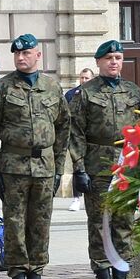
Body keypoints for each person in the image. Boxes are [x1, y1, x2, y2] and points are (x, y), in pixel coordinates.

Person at [0, 34, 71, 279]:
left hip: (44, 167)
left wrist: (58, 167)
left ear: (38, 55)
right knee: (15, 226)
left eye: (26, 53)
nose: (21, 58)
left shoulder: (51, 87)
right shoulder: (2, 89)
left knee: (40, 226)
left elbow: (63, 127)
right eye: (17, 54)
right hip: (14, 168)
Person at [69, 40, 140, 279]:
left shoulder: (132, 91)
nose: (114, 62)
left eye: (118, 57)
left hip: (127, 165)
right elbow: (76, 133)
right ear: (99, 62)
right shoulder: (86, 93)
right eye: (109, 58)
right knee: (101, 224)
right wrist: (79, 169)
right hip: (98, 166)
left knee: (124, 223)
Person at [65, 68, 94, 212]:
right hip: (76, 137)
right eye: (82, 78)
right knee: (77, 168)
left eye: (87, 78)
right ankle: (76, 198)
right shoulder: (71, 94)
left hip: (93, 138)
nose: (84, 80)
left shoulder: (96, 93)